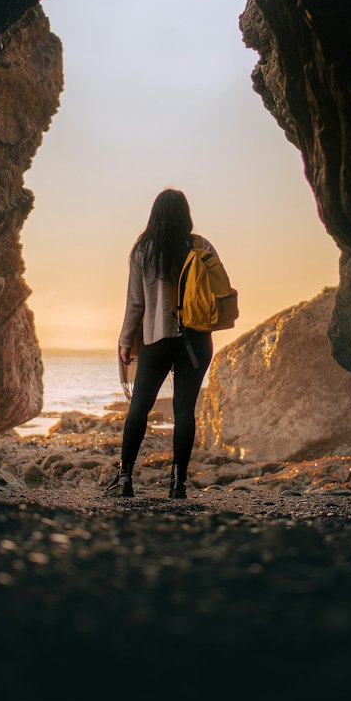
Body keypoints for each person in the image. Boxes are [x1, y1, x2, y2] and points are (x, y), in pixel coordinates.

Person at [110, 187, 217, 500]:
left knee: (139, 406)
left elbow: (135, 303)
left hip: (156, 338)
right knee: (184, 411)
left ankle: (126, 479)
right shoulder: (201, 246)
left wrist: (126, 340)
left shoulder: (144, 249)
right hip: (195, 341)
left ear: (154, 214)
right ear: (186, 214)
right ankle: (177, 485)